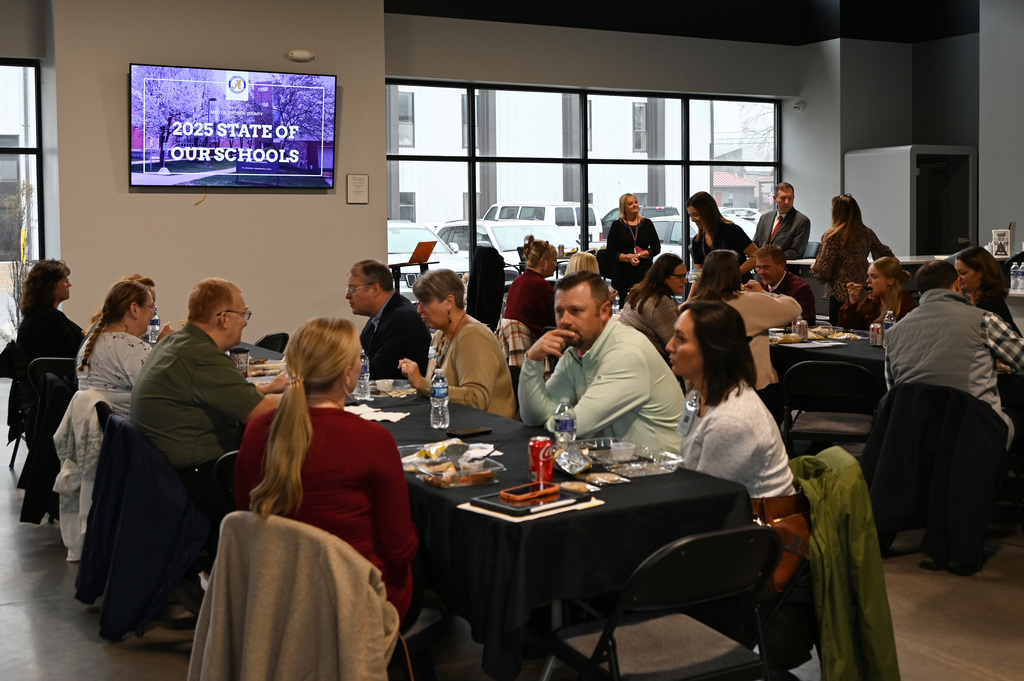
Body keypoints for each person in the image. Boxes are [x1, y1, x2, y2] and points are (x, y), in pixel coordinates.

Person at [235, 318, 419, 622]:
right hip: (356, 599)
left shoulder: (257, 432)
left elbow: (246, 518)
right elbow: (400, 550)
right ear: (348, 374)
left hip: (278, 592)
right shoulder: (372, 441)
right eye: (359, 358)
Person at [131, 278, 288, 521]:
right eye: (243, 314)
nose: (245, 322)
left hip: (166, 470)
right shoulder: (201, 356)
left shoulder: (177, 342)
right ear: (224, 318)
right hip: (202, 474)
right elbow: (262, 413)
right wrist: (313, 395)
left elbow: (231, 394)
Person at [518, 271, 683, 454]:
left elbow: (575, 426)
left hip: (665, 473)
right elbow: (534, 418)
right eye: (560, 312)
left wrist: (552, 420)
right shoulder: (576, 352)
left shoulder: (626, 353)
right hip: (621, 467)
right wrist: (532, 360)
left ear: (604, 312)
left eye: (576, 311)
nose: (564, 321)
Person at [886, 260, 1024, 448]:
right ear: (958, 284)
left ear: (920, 294)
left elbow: (894, 392)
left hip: (916, 435)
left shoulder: (893, 333)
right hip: (975, 433)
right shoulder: (984, 320)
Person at [666, 300, 795, 498]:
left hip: (751, 523)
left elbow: (705, 501)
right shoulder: (697, 395)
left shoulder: (730, 420)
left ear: (712, 349)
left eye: (681, 339)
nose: (669, 346)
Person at [398, 269, 517, 419]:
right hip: (453, 422)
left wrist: (422, 384)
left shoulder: (473, 336)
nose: (419, 309)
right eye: (419, 302)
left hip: (486, 431)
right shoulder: (440, 335)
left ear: (449, 302)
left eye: (425, 302)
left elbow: (476, 399)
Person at [691, 250, 801, 391]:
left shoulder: (693, 307)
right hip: (751, 384)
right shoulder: (750, 300)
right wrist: (762, 293)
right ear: (735, 273)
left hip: (708, 384)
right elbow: (794, 307)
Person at [810, 194, 894, 324]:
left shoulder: (832, 236)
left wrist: (815, 268)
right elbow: (884, 256)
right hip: (863, 291)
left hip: (840, 295)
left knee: (839, 335)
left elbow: (823, 273)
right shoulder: (867, 232)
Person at [75, 280, 153, 416]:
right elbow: (160, 401)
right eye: (151, 308)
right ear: (134, 309)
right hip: (129, 433)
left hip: (103, 433)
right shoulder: (134, 349)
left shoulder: (89, 344)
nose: (152, 315)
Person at [347, 259, 430, 380]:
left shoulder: (402, 319)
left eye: (352, 289)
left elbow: (379, 373)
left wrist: (338, 352)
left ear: (375, 289)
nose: (347, 295)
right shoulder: (379, 316)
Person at [617, 253, 687, 360]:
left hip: (629, 358)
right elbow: (679, 347)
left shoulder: (640, 292)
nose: (685, 281)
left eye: (685, 276)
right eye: (680, 277)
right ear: (664, 277)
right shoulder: (659, 302)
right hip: (651, 366)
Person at [17, 259, 84, 363]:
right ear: (50, 285)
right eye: (65, 281)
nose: (69, 284)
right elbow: (71, 358)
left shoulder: (36, 316)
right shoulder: (51, 318)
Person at [605, 193, 660, 307]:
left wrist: (638, 255)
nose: (635, 205)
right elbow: (611, 251)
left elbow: (656, 248)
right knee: (623, 307)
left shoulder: (647, 223)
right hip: (622, 273)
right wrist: (627, 258)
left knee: (644, 305)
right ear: (624, 208)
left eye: (636, 202)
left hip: (643, 271)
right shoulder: (617, 225)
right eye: (630, 204)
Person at [687, 191, 758, 279]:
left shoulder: (732, 231)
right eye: (690, 216)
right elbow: (698, 276)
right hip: (715, 290)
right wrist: (692, 293)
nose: (693, 219)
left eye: (696, 215)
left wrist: (735, 273)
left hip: (739, 287)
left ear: (708, 212)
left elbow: (756, 256)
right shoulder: (697, 241)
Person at [84, 274, 173, 341]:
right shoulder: (129, 346)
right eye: (150, 303)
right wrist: (159, 346)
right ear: (134, 308)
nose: (153, 313)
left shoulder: (104, 333)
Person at [837, 256, 917, 330]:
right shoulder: (870, 302)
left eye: (874, 277)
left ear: (890, 281)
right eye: (868, 276)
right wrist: (852, 302)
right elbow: (847, 331)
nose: (868, 281)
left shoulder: (907, 307)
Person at [956, 245, 1021, 335]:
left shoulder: (994, 306)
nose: (958, 278)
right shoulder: (961, 301)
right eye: (956, 273)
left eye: (963, 273)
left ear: (980, 272)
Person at [503, 235, 557, 336]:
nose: (556, 264)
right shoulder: (540, 285)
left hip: (512, 342)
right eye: (554, 260)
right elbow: (554, 320)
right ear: (543, 261)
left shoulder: (517, 281)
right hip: (532, 343)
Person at [751, 244, 817, 323]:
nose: (761, 272)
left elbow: (806, 321)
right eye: (758, 267)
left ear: (782, 265)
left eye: (766, 267)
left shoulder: (800, 288)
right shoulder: (759, 287)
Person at [753, 182, 811, 261]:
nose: (787, 202)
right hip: (761, 268)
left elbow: (796, 252)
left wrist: (768, 258)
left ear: (793, 198)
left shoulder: (802, 221)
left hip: (785, 268)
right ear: (774, 198)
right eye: (783, 198)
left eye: (790, 198)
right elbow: (756, 243)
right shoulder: (765, 218)